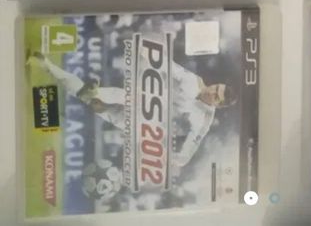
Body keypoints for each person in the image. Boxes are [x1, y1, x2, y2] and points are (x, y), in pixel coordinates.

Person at [28, 52, 237, 170]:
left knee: (91, 102)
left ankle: (83, 89)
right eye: (216, 88)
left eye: (216, 96)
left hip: (143, 124)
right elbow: (169, 66)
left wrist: (169, 158)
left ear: (218, 105)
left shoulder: (203, 120)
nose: (211, 92)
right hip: (142, 98)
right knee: (100, 95)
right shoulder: (194, 81)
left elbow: (187, 151)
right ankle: (49, 65)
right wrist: (148, 54)